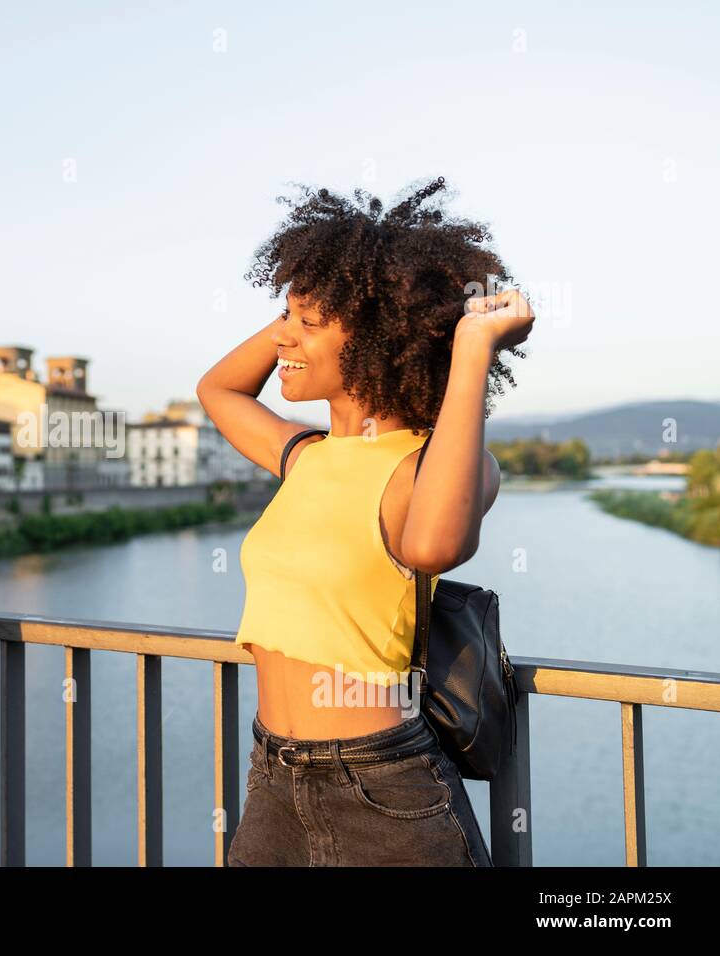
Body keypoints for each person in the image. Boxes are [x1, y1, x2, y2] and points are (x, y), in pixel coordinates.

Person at [198, 177, 533, 866]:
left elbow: (434, 544)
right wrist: (303, 308)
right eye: (282, 317)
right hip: (273, 773)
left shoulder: (430, 465)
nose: (282, 338)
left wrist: (471, 350)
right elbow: (219, 390)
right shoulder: (309, 457)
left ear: (378, 336)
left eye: (307, 323)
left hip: (383, 787)